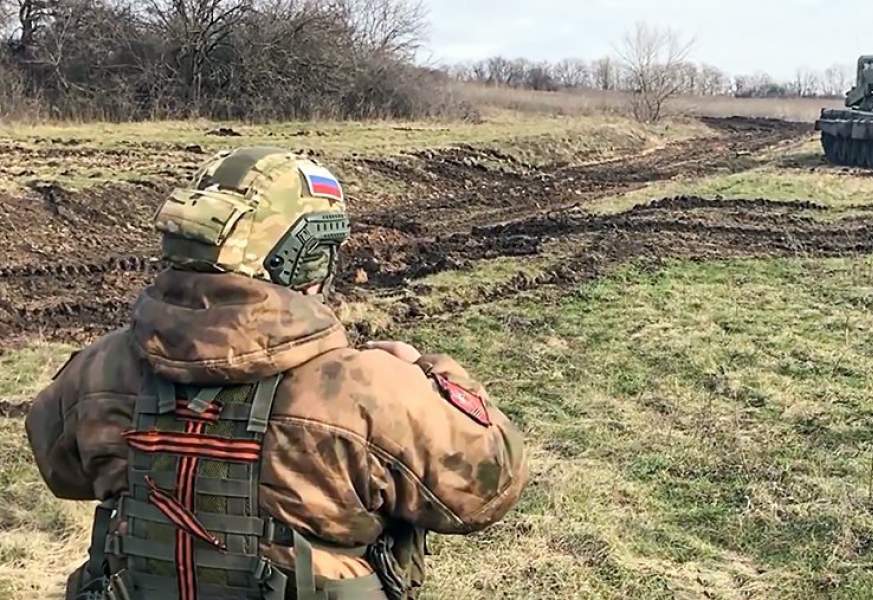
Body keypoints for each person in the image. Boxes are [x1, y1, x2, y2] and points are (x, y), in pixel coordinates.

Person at [25, 147, 528, 600]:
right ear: (308, 257)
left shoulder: (100, 366)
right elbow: (488, 491)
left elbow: (62, 472)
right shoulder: (369, 388)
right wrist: (428, 373)